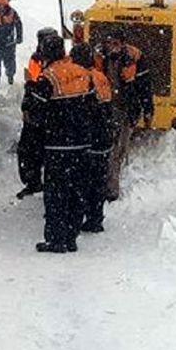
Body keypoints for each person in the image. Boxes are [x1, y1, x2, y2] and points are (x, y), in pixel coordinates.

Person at [25, 34, 94, 253]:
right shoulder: (83, 74)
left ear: (46, 54)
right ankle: (71, 237)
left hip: (58, 145)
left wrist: (29, 86)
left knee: (56, 194)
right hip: (83, 144)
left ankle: (56, 240)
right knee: (77, 192)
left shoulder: (48, 78)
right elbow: (93, 106)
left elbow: (33, 107)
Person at [95, 28, 152, 200]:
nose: (112, 47)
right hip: (104, 109)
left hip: (127, 109)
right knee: (107, 149)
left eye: (116, 44)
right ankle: (105, 188)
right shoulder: (97, 57)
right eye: (109, 43)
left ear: (123, 44)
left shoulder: (135, 58)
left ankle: (110, 187)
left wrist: (148, 110)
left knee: (119, 150)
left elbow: (144, 86)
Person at [69, 42, 114, 233]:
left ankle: (80, 219)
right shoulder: (101, 77)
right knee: (99, 179)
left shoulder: (81, 79)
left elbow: (82, 110)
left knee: (82, 181)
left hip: (89, 138)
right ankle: (96, 218)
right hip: (104, 136)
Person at [14, 27, 60, 200]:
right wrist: (27, 107)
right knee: (28, 151)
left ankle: (48, 186)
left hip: (50, 114)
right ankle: (33, 182)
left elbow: (36, 87)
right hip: (37, 113)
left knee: (44, 152)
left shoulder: (60, 64)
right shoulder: (36, 60)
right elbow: (32, 85)